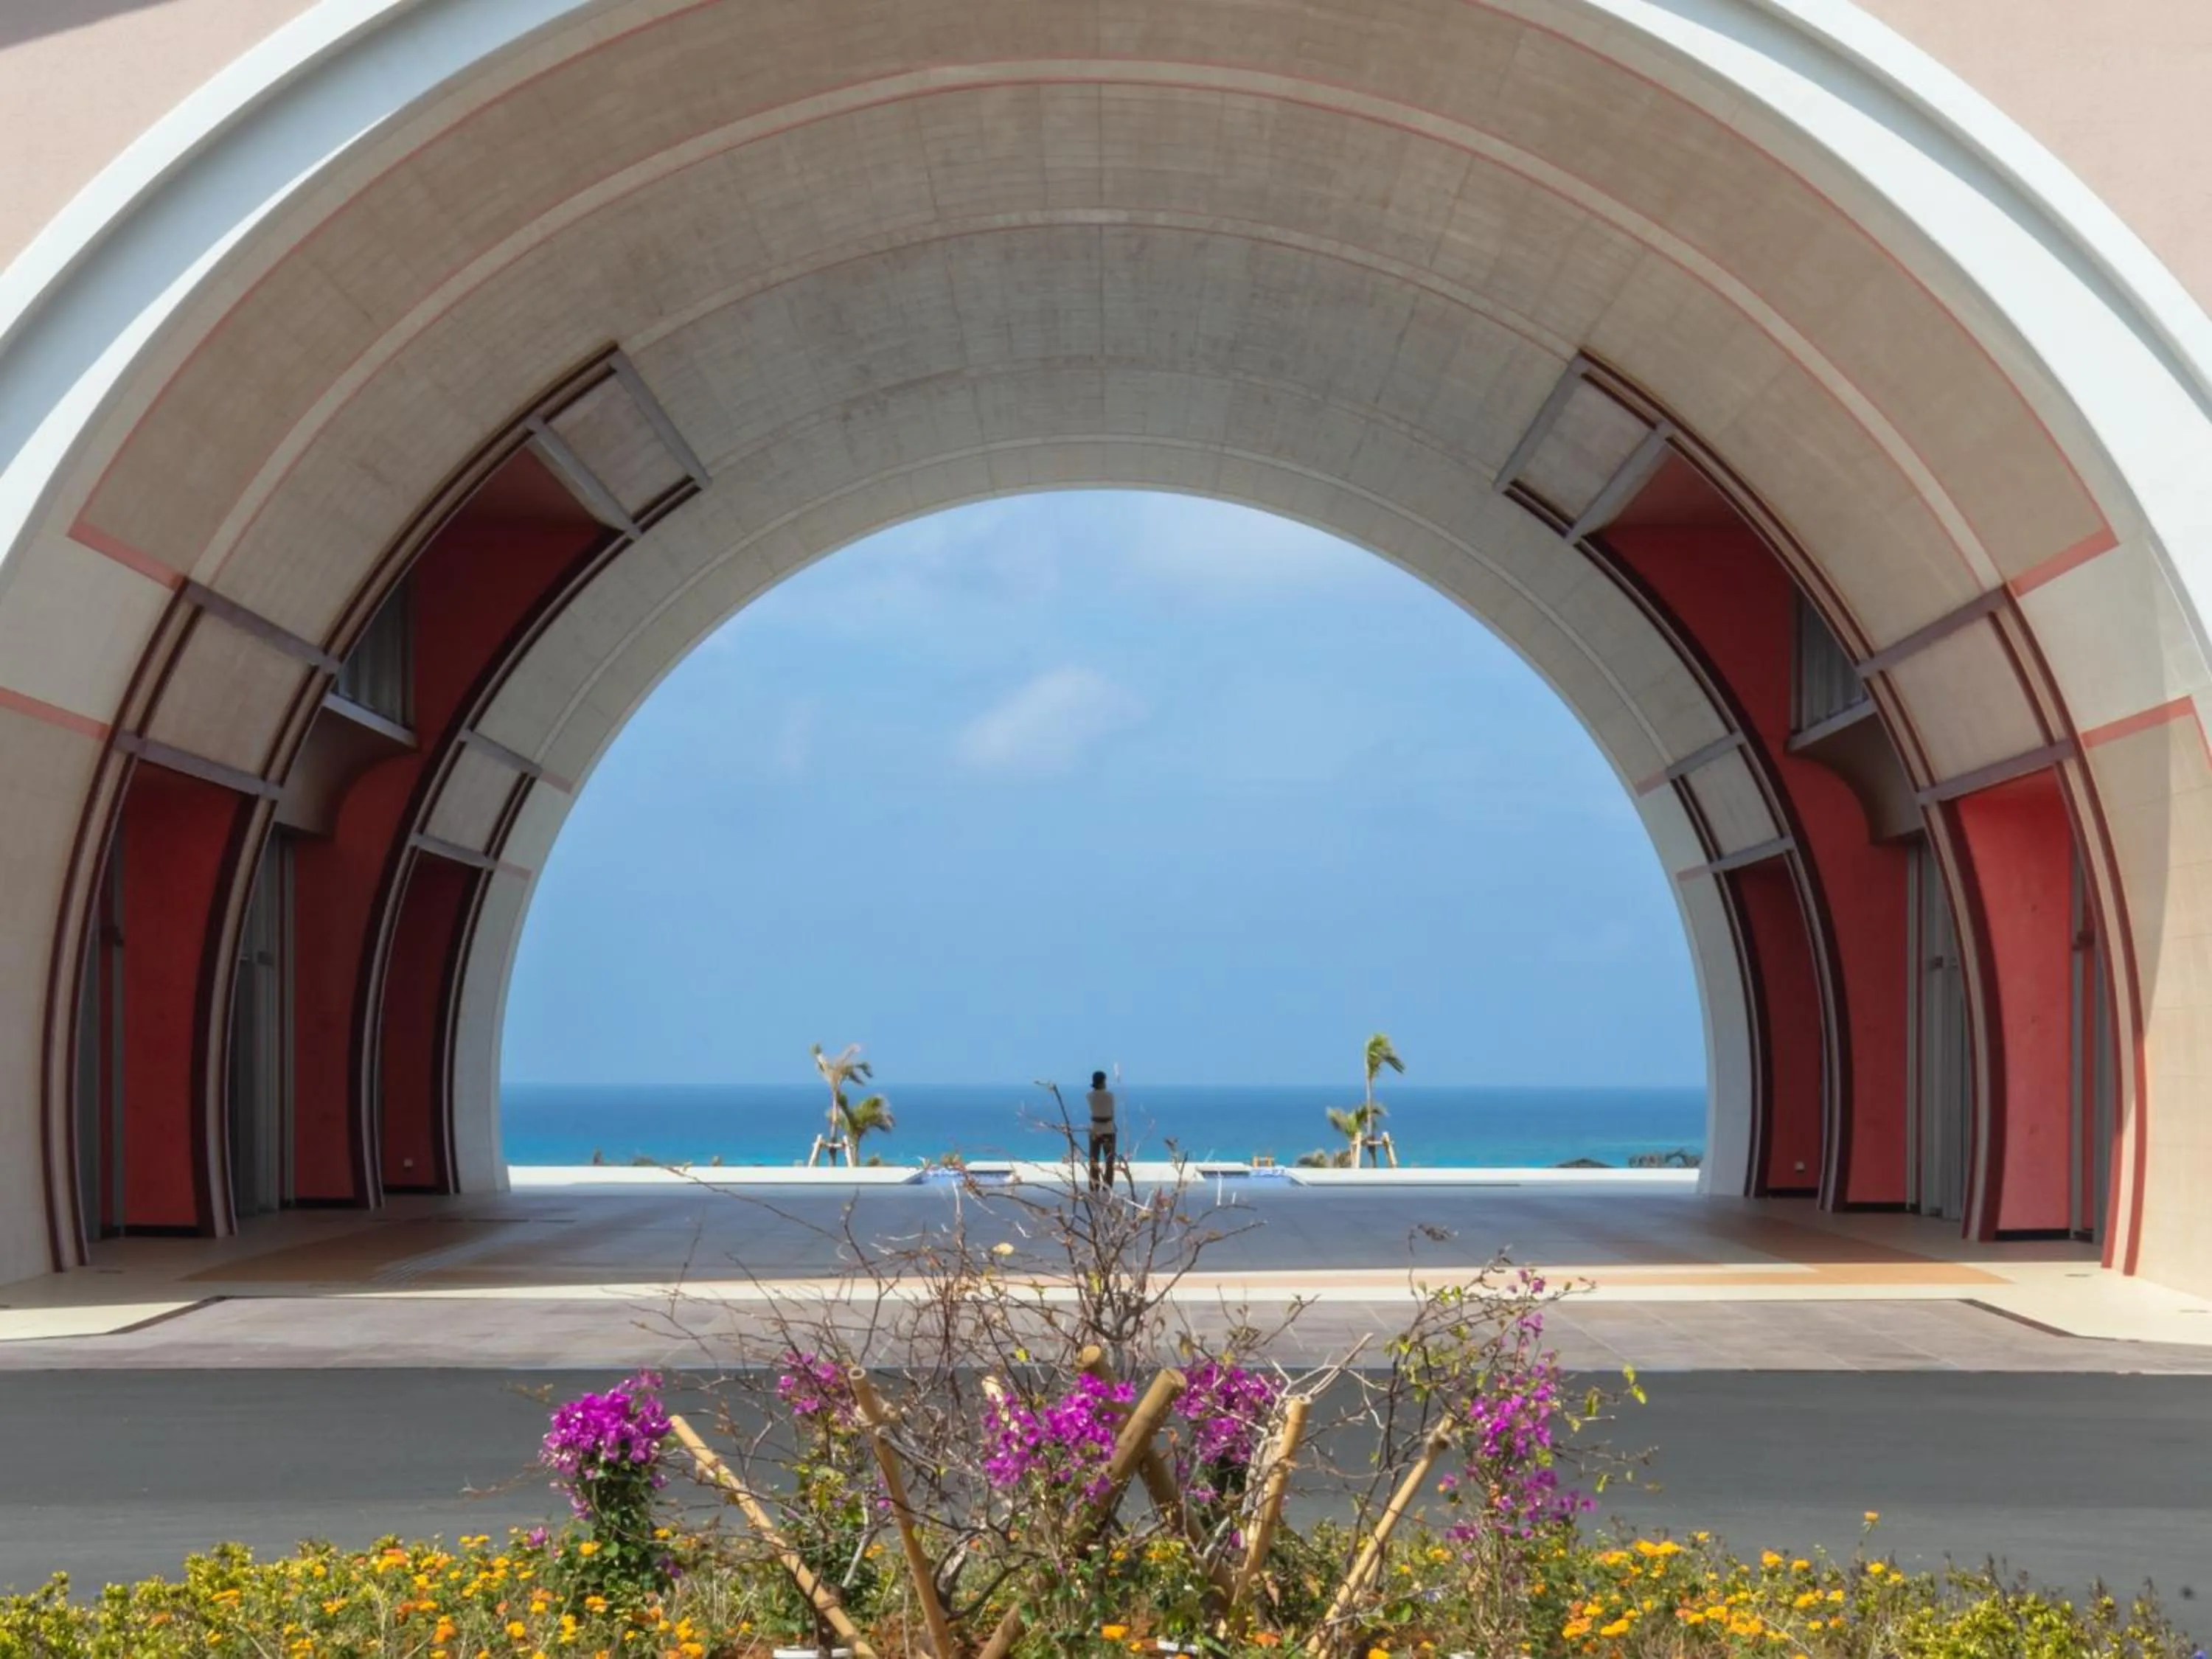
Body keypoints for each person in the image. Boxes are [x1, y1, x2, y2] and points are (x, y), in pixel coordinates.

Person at [1085, 1070, 1118, 1190]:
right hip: (1108, 1129)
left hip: (1095, 1129)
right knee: (1109, 1162)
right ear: (1104, 1081)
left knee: (1094, 1159)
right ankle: (1108, 1187)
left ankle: (1094, 1186)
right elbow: (1111, 1112)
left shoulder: (1089, 1096)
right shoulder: (1110, 1095)